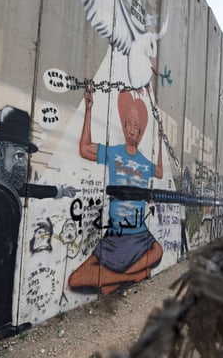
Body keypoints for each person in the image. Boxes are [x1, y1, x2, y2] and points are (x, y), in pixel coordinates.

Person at [0, 106, 77, 348]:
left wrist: (58, 191)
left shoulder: (6, 181)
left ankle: (3, 326)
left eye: (23, 156)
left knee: (5, 287)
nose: (22, 162)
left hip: (7, 247)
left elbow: (28, 189)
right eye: (18, 155)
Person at [68, 88, 163, 296]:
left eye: (136, 127)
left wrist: (160, 143)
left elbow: (159, 172)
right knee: (75, 279)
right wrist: (89, 110)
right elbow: (84, 148)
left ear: (140, 133)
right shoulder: (113, 153)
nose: (131, 130)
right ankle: (131, 276)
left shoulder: (144, 163)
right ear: (124, 126)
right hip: (116, 235)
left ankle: (111, 279)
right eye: (128, 124)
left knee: (158, 251)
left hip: (139, 234)